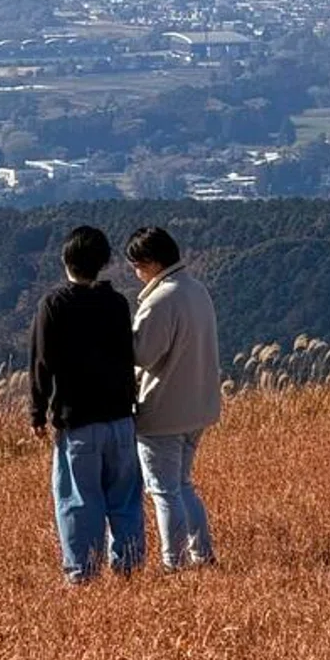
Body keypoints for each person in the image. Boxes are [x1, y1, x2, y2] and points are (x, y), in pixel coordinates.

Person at [30, 225, 145, 583]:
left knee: (79, 503)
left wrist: (37, 411)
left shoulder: (55, 304)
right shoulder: (116, 303)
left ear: (65, 260)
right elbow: (128, 356)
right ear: (105, 262)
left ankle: (82, 576)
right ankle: (128, 570)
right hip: (121, 420)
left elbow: (41, 362)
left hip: (78, 421)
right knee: (125, 500)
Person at [127, 225, 222, 571]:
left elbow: (142, 354)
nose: (135, 272)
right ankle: (203, 553)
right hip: (199, 407)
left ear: (151, 262)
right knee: (183, 484)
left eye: (136, 264)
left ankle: (174, 563)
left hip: (164, 411)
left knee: (164, 491)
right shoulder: (197, 290)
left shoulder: (160, 300)